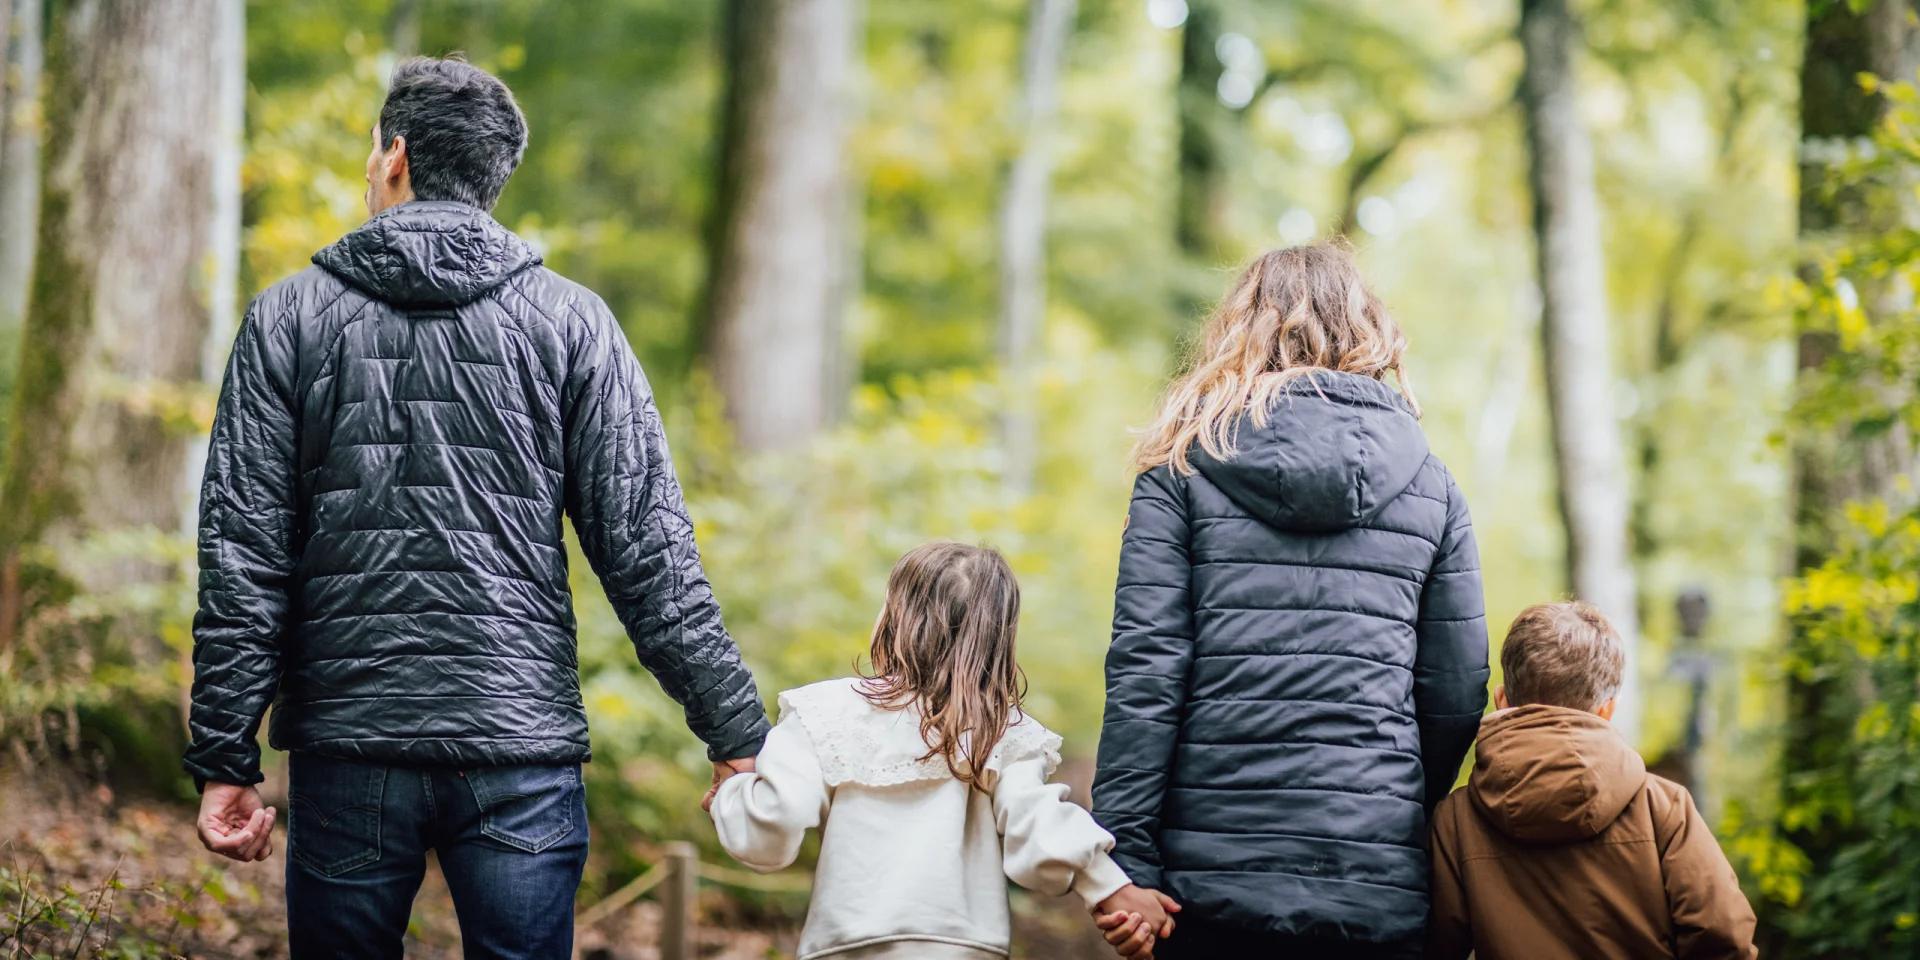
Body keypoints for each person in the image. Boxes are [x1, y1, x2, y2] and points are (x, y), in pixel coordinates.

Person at [181, 56, 768, 959]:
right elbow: (650, 553)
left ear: (395, 157)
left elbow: (242, 556)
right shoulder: (574, 322)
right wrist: (735, 731)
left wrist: (225, 754)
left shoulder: (286, 319)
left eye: (373, 149)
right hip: (518, 749)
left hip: (349, 746)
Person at [1091, 243, 1491, 957]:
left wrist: (1124, 864)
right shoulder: (1433, 488)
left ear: (1241, 327)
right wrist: (1396, 806)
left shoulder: (1179, 471)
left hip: (1205, 887)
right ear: (1365, 328)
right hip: (1372, 881)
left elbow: (1145, 675)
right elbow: (1456, 689)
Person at [708, 542, 1178, 960]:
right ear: (998, 638)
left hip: (846, 944)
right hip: (965, 947)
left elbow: (772, 827)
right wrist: (1112, 889)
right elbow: (1040, 823)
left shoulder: (823, 711)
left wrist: (733, 789)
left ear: (895, 618)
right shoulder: (1002, 730)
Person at [1426, 602, 1758, 959]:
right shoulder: (1664, 808)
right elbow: (1724, 939)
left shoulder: (1456, 820)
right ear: (1607, 710)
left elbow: (1432, 946)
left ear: (1501, 700)